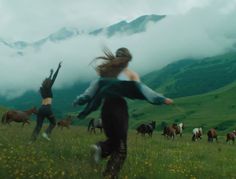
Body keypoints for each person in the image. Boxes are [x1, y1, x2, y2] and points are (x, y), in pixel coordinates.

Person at [74, 47, 173, 178]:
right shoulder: (130, 74)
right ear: (127, 60)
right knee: (121, 149)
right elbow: (143, 90)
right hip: (119, 110)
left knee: (115, 142)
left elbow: (89, 94)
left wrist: (79, 100)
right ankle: (106, 166)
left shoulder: (105, 74)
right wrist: (161, 99)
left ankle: (101, 150)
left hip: (105, 110)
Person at [30, 62, 62, 142]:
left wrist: (50, 74)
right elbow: (54, 78)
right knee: (53, 123)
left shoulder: (42, 89)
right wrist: (58, 68)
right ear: (49, 83)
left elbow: (49, 80)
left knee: (38, 126)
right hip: (47, 109)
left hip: (41, 109)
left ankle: (31, 141)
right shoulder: (49, 88)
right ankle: (46, 133)